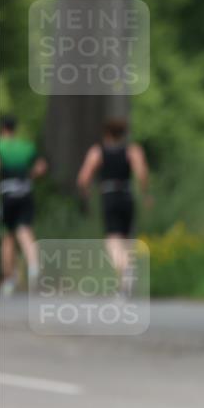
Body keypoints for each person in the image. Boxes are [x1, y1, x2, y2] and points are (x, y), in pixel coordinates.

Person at [77, 118, 152, 296]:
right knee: (126, 241)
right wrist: (146, 194)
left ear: (106, 134)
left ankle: (126, 271)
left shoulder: (98, 152)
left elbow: (83, 178)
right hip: (127, 196)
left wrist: (86, 194)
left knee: (112, 240)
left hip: (109, 196)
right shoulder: (132, 151)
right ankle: (124, 285)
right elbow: (142, 174)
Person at [0, 115, 48, 294]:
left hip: (8, 193)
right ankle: (34, 267)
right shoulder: (26, 147)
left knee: (8, 236)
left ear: (2, 128)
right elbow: (41, 167)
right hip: (26, 192)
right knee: (26, 231)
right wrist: (28, 176)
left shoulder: (0, 146)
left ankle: (10, 278)